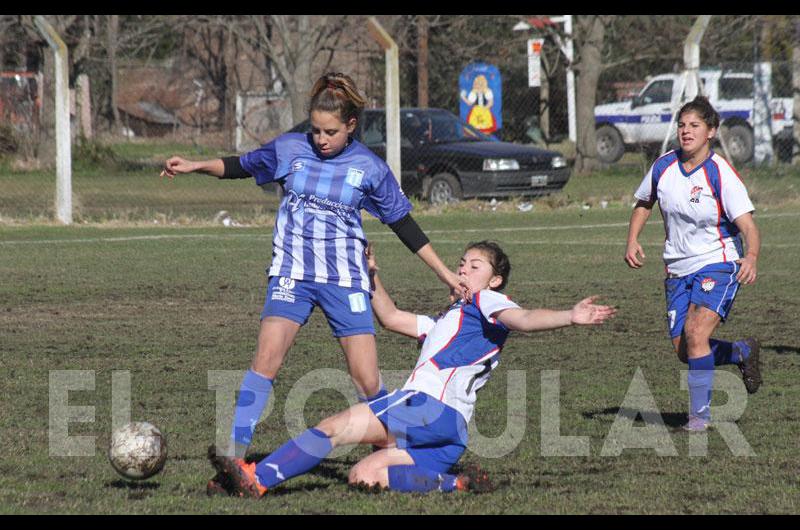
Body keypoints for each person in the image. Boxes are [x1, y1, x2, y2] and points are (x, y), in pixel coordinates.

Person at [160, 72, 464, 491]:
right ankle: (233, 459)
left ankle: (399, 451)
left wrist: (445, 272)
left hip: (345, 279)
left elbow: (403, 224)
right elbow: (239, 166)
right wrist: (195, 165)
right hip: (292, 274)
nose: (321, 139)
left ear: (351, 126)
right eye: (316, 129)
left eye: (331, 132)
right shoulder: (289, 149)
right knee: (266, 358)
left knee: (367, 380)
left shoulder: (370, 169)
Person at [208, 240, 616, 497]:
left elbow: (523, 319)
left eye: (475, 266)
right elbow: (390, 317)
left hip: (426, 407)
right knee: (365, 474)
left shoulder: (486, 304)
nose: (463, 269)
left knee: (335, 428)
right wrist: (373, 276)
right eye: (461, 263)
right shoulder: (449, 320)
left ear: (495, 280)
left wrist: (569, 316)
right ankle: (454, 483)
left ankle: (257, 477)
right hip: (450, 432)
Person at [624, 96, 763, 432]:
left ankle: (699, 417)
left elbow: (747, 226)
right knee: (685, 350)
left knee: (697, 332)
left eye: (694, 126)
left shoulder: (720, 173)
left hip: (719, 262)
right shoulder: (663, 167)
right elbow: (644, 203)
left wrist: (752, 257)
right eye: (682, 125)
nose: (686, 132)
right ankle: (741, 351)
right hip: (677, 269)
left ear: (710, 132)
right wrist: (632, 239)